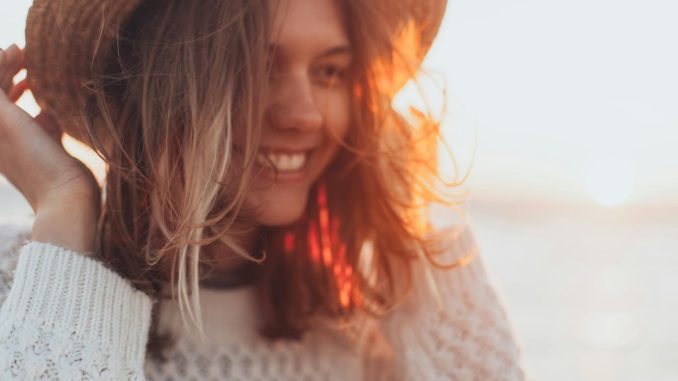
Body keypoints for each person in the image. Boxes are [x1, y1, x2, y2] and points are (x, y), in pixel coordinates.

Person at [0, 0, 526, 379]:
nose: (304, 114)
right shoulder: (14, 289)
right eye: (258, 69)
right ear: (155, 85)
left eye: (330, 71)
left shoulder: (379, 319)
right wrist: (66, 206)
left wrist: (417, 238)